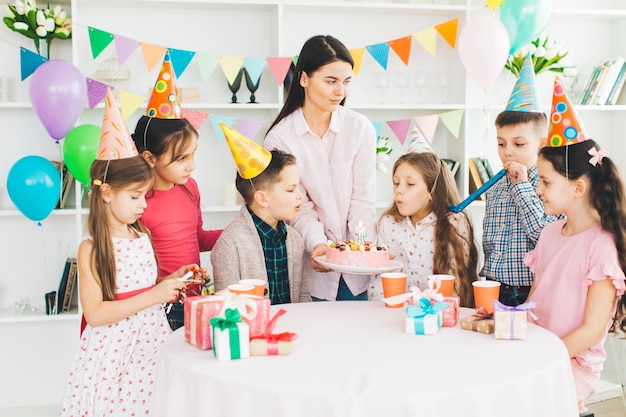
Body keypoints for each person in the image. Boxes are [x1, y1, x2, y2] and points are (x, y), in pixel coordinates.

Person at [61, 89, 202, 416]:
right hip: (114, 351)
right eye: (136, 197)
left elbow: (143, 284)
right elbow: (95, 314)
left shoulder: (141, 234)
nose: (144, 205)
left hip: (151, 341)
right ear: (107, 193)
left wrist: (174, 280)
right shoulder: (92, 248)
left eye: (145, 196)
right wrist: (156, 294)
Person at [525, 79, 625, 414]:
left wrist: (544, 356)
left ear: (578, 187)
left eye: (545, 181)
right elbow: (534, 302)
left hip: (571, 361)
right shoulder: (550, 234)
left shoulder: (602, 247)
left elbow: (592, 330)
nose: (537, 189)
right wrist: (509, 322)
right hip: (539, 350)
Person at [264, 34, 377, 301]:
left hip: (357, 269)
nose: (340, 91)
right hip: (314, 269)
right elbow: (298, 208)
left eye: (346, 82)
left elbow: (363, 198)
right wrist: (319, 245)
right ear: (303, 78)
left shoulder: (360, 128)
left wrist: (358, 249)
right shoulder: (280, 139)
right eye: (331, 81)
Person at [131, 52, 221, 330]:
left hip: (194, 301)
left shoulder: (189, 188)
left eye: (193, 155)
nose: (191, 166)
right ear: (149, 158)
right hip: (157, 306)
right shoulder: (137, 201)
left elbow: (197, 238)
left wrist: (243, 229)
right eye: (180, 159)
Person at [481, 53, 558, 306]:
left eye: (519, 144)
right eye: (501, 143)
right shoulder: (495, 187)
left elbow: (544, 235)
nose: (508, 151)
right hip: (491, 285)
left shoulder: (551, 186)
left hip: (528, 291)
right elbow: (490, 243)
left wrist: (522, 186)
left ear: (542, 144)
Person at [212, 124, 310, 303]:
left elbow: (303, 296)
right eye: (290, 189)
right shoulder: (230, 245)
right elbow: (226, 307)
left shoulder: (294, 240)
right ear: (263, 199)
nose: (300, 195)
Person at [371, 151, 478, 307]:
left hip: (440, 314)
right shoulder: (388, 223)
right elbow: (379, 279)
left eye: (410, 184)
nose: (398, 190)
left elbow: (457, 282)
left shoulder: (454, 223)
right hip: (395, 314)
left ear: (432, 191)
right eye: (396, 182)